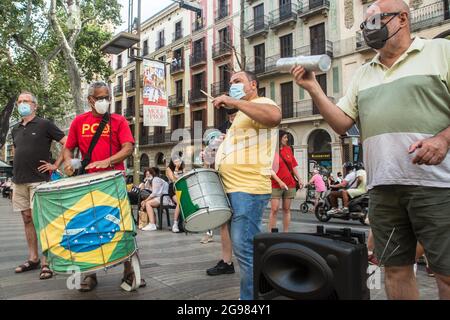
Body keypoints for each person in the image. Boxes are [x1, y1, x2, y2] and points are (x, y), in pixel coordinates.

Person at [291, 0, 450, 299]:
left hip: (439, 186)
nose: (367, 30)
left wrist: (442, 139)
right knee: (394, 269)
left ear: (402, 19)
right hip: (383, 189)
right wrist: (313, 88)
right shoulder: (363, 73)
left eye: (375, 22)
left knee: (446, 273)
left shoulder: (442, 52)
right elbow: (341, 123)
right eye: (365, 25)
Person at [63, 81, 142, 292]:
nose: (105, 101)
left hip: (114, 183)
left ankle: (130, 269)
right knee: (89, 227)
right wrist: (68, 163)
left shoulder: (118, 121)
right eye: (100, 98)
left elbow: (128, 147)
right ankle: (90, 273)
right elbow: (67, 149)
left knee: (123, 226)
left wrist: (108, 161)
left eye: (107, 97)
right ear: (90, 100)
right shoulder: (79, 122)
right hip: (86, 184)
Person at [213, 70, 282, 299]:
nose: (232, 85)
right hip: (234, 188)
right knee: (244, 246)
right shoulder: (243, 113)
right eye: (231, 82)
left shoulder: (262, 102)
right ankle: (259, 291)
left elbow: (274, 117)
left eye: (237, 81)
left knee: (245, 247)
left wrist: (231, 101)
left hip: (248, 188)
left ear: (252, 84)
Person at [11, 91, 67, 280]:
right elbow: (18, 150)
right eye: (19, 101)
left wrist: (55, 165)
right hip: (18, 180)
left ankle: (46, 262)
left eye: (26, 101)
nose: (22, 104)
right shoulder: (16, 128)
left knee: (41, 221)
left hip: (39, 180)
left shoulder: (45, 124)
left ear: (35, 105)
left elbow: (67, 142)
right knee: (27, 219)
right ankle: (33, 258)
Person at [269, 130, 303, 232]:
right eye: (285, 137)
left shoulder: (288, 149)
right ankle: (272, 234)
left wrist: (300, 179)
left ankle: (285, 232)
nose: (287, 139)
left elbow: (293, 166)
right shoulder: (271, 151)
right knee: (274, 209)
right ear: (279, 138)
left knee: (287, 210)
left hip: (289, 184)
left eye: (287, 137)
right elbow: (268, 169)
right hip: (275, 184)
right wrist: (279, 181)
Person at [140, 167, 173, 231]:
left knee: (148, 203)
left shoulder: (156, 179)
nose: (148, 176)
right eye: (146, 175)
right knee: (147, 203)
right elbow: (146, 190)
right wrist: (144, 182)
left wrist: (145, 200)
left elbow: (154, 193)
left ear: (153, 174)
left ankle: (152, 224)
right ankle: (153, 223)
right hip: (160, 198)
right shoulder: (151, 181)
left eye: (149, 174)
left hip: (164, 198)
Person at [166, 157, 184, 233]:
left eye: (179, 160)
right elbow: (174, 180)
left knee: (185, 202)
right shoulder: (169, 169)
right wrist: (176, 169)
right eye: (175, 161)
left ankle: (183, 224)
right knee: (180, 202)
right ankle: (175, 224)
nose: (177, 162)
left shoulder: (183, 169)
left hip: (182, 188)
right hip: (173, 188)